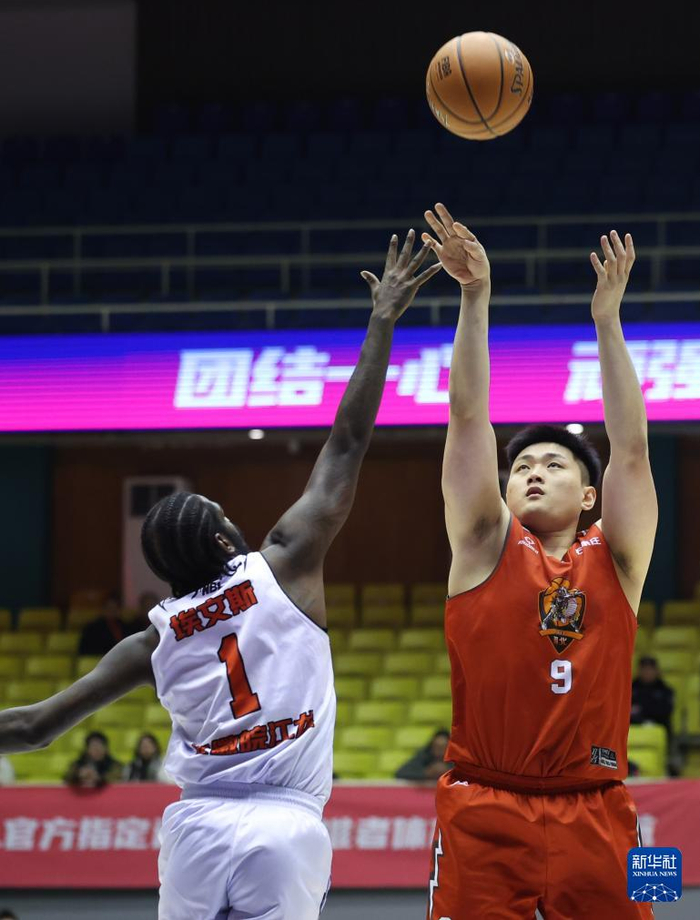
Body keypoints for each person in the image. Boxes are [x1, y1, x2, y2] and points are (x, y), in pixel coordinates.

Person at [0, 231, 441, 920]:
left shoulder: (151, 639)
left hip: (197, 825)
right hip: (285, 824)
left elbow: (34, 728)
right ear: (221, 539)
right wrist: (383, 318)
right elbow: (348, 441)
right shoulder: (286, 562)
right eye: (224, 513)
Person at [422, 204, 657, 919]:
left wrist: (608, 323)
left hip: (605, 805)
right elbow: (467, 417)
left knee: (654, 903)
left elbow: (632, 449)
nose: (532, 472)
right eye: (521, 465)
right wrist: (475, 295)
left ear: (589, 495)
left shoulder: (619, 558)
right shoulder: (482, 545)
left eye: (553, 464)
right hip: (482, 805)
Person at [78, 591, 129, 656]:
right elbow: (85, 651)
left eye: (115, 608)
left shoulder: (126, 627)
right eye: (109, 608)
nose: (112, 611)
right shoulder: (91, 628)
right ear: (103, 609)